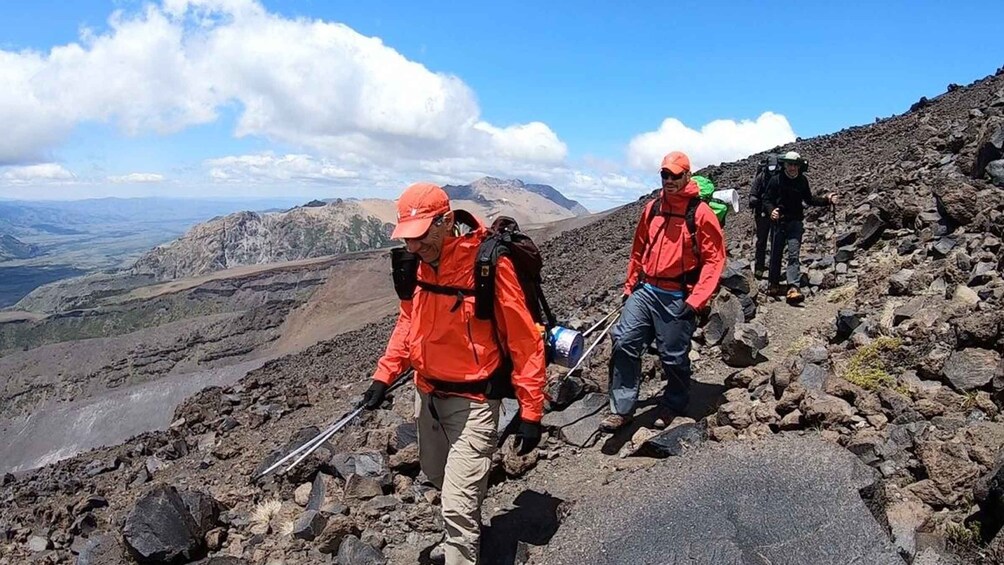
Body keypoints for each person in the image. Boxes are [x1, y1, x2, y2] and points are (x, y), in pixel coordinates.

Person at [362, 182, 546, 565]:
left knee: (457, 504)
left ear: (446, 222)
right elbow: (408, 322)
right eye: (407, 238)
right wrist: (384, 375)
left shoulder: (488, 265)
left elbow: (525, 341)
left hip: (473, 403)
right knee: (438, 476)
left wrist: (531, 411)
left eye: (420, 236)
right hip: (426, 396)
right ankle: (463, 534)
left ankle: (462, 545)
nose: (412, 247)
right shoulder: (416, 265)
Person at [599, 151, 726, 433]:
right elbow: (638, 249)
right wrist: (630, 285)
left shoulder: (700, 213)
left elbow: (714, 260)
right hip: (645, 289)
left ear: (687, 176)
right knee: (624, 342)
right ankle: (622, 409)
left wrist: (696, 301)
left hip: (678, 294)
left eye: (675, 175)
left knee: (672, 355)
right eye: (664, 174)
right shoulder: (653, 208)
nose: (668, 180)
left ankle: (675, 402)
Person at [763, 151, 838, 304]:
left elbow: (809, 199)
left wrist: (827, 200)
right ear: (784, 165)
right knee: (776, 254)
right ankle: (773, 284)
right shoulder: (776, 180)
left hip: (795, 223)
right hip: (779, 223)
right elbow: (767, 199)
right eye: (789, 164)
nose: (792, 168)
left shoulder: (802, 181)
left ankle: (793, 287)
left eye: (794, 165)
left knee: (793, 254)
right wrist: (772, 211)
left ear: (799, 166)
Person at [749, 155, 779, 278]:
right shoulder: (761, 177)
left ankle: (773, 270)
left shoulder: (779, 177)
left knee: (775, 242)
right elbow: (753, 193)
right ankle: (759, 268)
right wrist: (754, 200)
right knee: (761, 241)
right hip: (762, 214)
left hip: (775, 213)